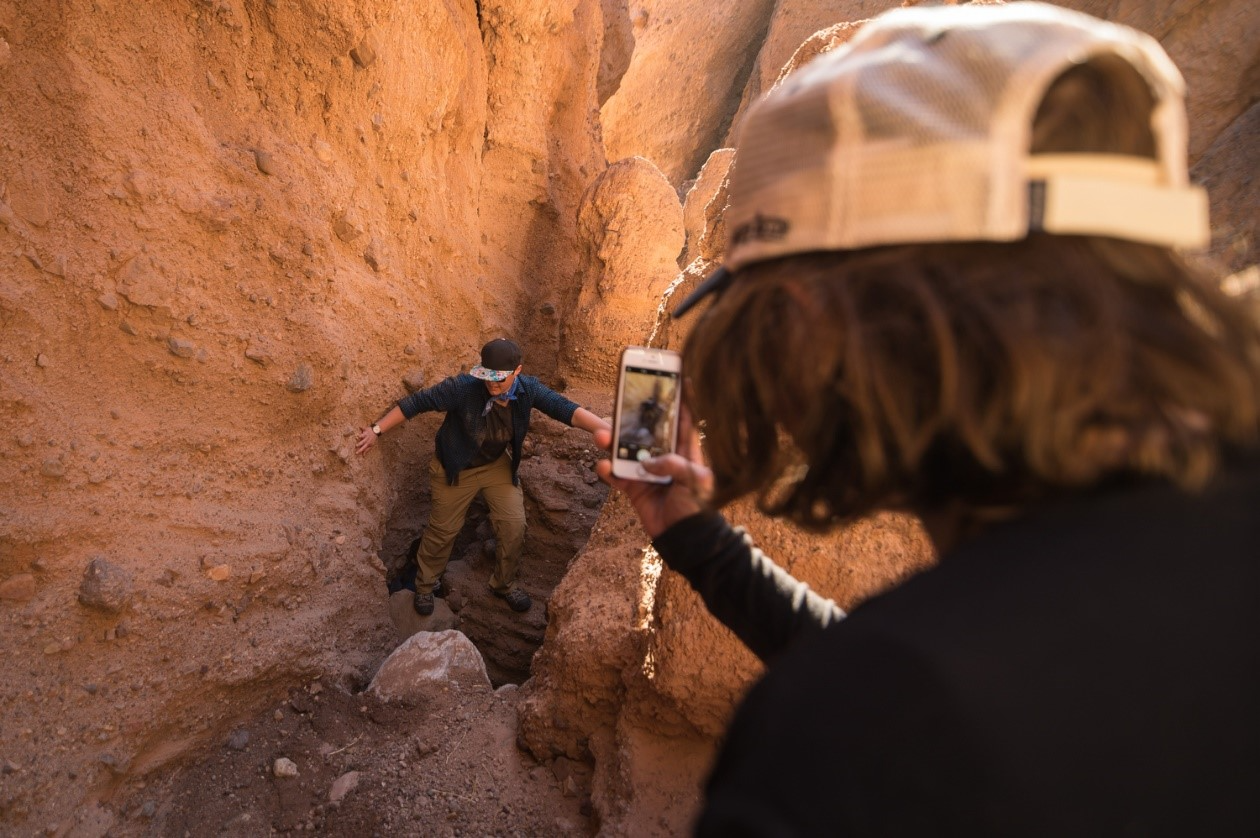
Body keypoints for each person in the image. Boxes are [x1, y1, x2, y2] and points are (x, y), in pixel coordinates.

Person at [597, 3, 1259, 835]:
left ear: (810, 319)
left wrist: (841, 705)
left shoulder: (849, 750)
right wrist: (696, 540)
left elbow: (929, 713)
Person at [358, 338, 610, 615]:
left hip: (495, 465)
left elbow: (565, 410)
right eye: (487, 377)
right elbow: (417, 403)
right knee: (443, 531)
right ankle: (426, 586)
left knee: (514, 525)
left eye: (499, 380)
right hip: (454, 467)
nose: (492, 385)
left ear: (517, 372)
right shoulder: (463, 388)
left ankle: (503, 584)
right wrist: (376, 430)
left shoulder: (528, 390)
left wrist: (605, 431)